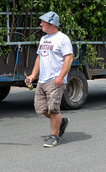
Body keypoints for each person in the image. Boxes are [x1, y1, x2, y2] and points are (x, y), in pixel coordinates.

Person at [25, 11, 74, 147]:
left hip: (55, 79)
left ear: (51, 23)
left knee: (53, 109)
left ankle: (54, 136)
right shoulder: (44, 39)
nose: (41, 24)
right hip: (42, 79)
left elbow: (69, 59)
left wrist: (60, 77)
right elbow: (39, 57)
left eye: (43, 22)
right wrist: (33, 75)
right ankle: (61, 122)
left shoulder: (63, 39)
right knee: (40, 107)